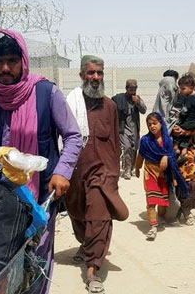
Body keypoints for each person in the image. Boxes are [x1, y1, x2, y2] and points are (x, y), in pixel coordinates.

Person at [0, 29, 82, 293]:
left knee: (36, 257)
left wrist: (62, 172)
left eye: (12, 61)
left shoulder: (46, 93)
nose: (5, 68)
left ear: (23, 61)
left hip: (40, 195)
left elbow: (73, 136)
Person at [65, 55, 129, 294]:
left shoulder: (110, 106)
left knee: (100, 217)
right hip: (76, 172)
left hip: (102, 173)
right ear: (82, 75)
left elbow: (115, 142)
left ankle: (93, 269)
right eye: (91, 73)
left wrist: (113, 174)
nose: (96, 77)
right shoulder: (70, 104)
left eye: (99, 73)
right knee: (77, 211)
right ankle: (86, 244)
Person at [135, 112, 188, 241]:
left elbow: (172, 157)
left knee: (163, 201)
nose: (152, 126)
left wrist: (166, 157)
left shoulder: (168, 140)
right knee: (152, 200)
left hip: (164, 175)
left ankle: (161, 218)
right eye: (149, 124)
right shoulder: (145, 140)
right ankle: (153, 226)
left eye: (155, 123)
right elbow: (141, 154)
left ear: (161, 124)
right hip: (150, 172)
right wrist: (137, 167)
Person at [171, 74, 195, 226]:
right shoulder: (174, 104)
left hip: (190, 148)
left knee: (191, 180)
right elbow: (163, 125)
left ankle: (186, 210)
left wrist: (185, 132)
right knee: (176, 181)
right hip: (172, 152)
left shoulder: (189, 102)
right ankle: (176, 210)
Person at [112, 79, 147, 179]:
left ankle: (131, 168)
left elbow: (144, 110)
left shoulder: (137, 98)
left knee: (134, 148)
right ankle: (127, 169)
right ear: (126, 89)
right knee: (127, 147)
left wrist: (138, 103)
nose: (132, 91)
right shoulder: (120, 99)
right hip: (124, 128)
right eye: (131, 89)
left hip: (134, 127)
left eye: (134, 89)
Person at [171, 74, 195, 163]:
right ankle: (183, 152)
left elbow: (185, 110)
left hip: (189, 121)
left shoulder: (190, 98)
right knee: (185, 137)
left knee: (177, 127)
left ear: (191, 88)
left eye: (183, 89)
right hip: (193, 122)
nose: (181, 91)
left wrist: (179, 114)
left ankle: (176, 147)